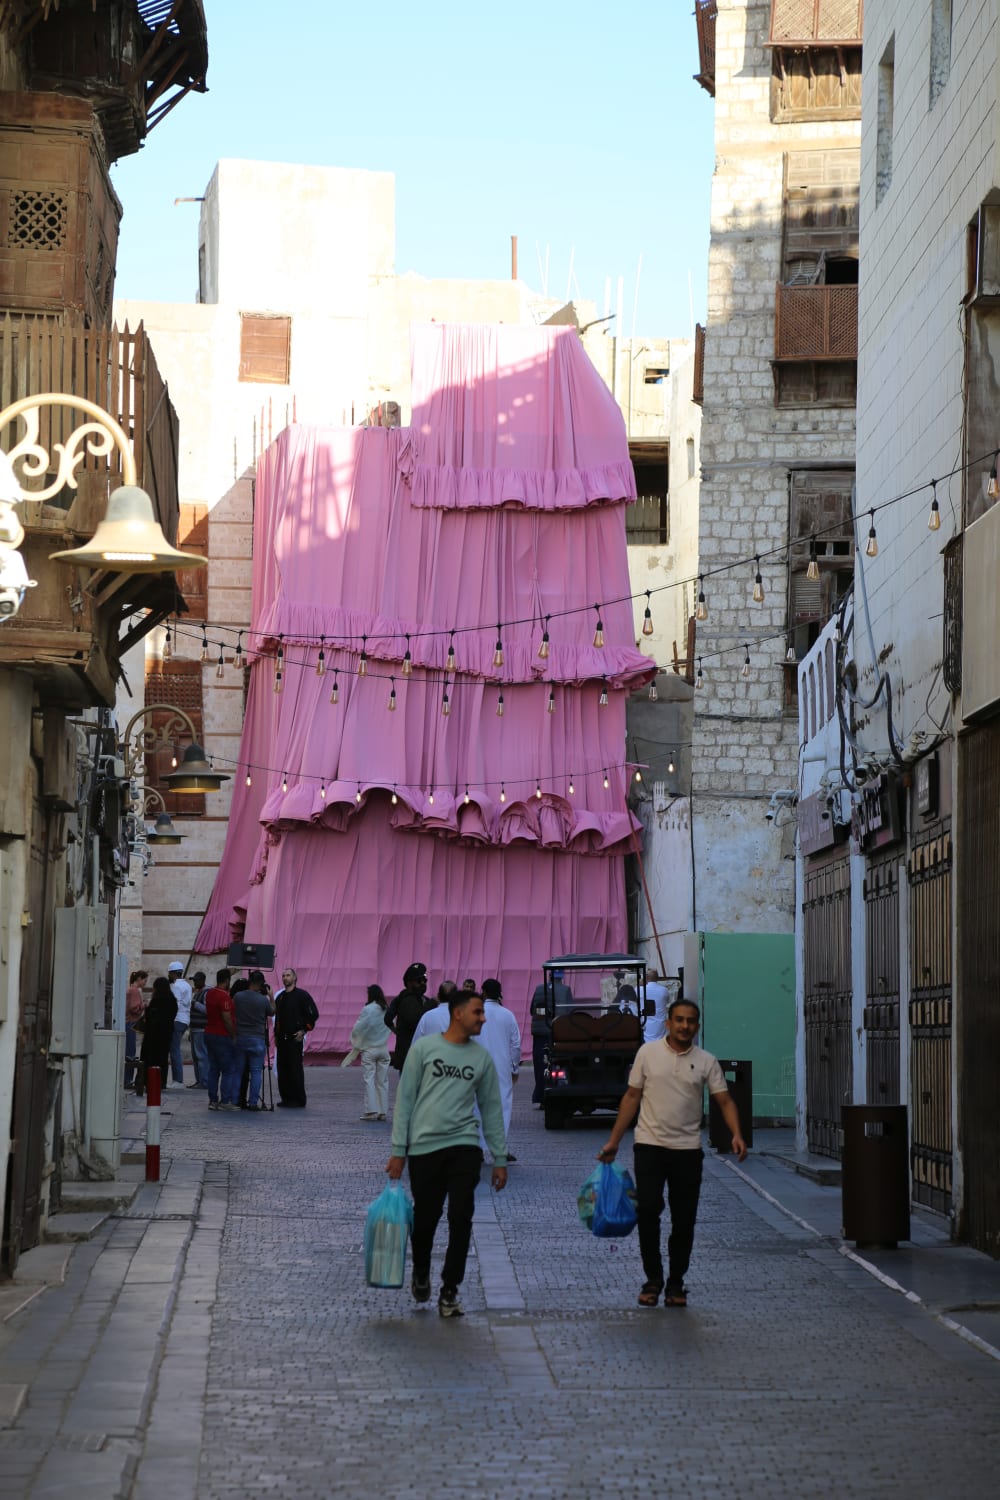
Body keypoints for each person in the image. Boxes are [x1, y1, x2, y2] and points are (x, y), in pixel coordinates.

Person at [597, 997, 747, 1309]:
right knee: (648, 1210)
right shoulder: (647, 1054)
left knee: (684, 1220)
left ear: (697, 1026)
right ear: (668, 1022)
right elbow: (631, 1096)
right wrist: (613, 1141)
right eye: (679, 1020)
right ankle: (653, 1278)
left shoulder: (706, 1061)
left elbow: (725, 1101)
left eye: (690, 1021)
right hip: (649, 1145)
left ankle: (676, 1282)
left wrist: (736, 1134)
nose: (684, 1026)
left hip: (687, 1151)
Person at [387, 989, 508, 1318]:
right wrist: (399, 1150)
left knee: (461, 1218)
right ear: (458, 1014)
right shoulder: (424, 1049)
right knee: (425, 1221)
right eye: (478, 1012)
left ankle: (450, 1289)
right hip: (424, 1148)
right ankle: (421, 1272)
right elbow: (405, 1101)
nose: (483, 1018)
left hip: (464, 1147)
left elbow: (491, 1110)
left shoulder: (480, 1059)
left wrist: (499, 1157)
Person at [477, 979, 521, 1150]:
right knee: (503, 1105)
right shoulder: (508, 1014)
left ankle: (479, 1147)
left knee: (478, 1105)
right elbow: (516, 1045)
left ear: (484, 992)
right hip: (502, 1067)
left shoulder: (476, 1013)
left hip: (478, 1065)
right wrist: (514, 1067)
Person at [273, 966, 319, 1108]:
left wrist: (304, 1030)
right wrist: (275, 1035)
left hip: (295, 1039)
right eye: (283, 975)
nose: (285, 978)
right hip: (282, 1040)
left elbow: (313, 1014)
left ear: (294, 978)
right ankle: (286, 1098)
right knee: (282, 1069)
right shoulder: (280, 997)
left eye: (288, 975)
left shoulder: (302, 996)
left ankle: (298, 1099)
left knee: (295, 1069)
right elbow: (277, 1018)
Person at [347, 984, 391, 1120]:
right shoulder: (386, 1009)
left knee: (369, 1080)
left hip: (369, 1050)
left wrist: (356, 1041)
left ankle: (371, 1111)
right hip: (384, 1049)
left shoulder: (367, 1009)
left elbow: (358, 1028)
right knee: (383, 1081)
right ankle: (383, 1112)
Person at [529, 967, 572, 1105]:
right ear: (561, 976)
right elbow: (569, 1012)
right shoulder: (565, 990)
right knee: (557, 1062)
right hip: (557, 1032)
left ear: (549, 976)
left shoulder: (539, 988)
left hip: (539, 1033)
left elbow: (532, 1010)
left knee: (540, 1064)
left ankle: (540, 1095)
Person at [234, 970, 275, 1112]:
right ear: (261, 984)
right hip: (257, 1038)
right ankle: (252, 1103)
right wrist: (271, 997)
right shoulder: (262, 1000)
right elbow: (272, 1012)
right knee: (256, 1071)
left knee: (239, 1071)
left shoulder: (238, 997)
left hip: (241, 1037)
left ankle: (235, 1100)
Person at [204, 967, 240, 1112]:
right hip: (222, 1035)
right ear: (227, 981)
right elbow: (226, 1018)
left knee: (213, 1068)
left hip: (209, 1033)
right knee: (228, 1069)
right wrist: (234, 1034)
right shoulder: (224, 996)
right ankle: (225, 1100)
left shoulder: (209, 993)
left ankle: (213, 1100)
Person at [384, 962, 430, 1073]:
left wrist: (397, 1032)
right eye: (419, 981)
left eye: (424, 980)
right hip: (410, 1054)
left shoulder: (424, 999)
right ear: (409, 983)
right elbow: (415, 1020)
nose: (423, 983)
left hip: (420, 1054)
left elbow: (387, 1019)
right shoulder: (407, 1000)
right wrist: (399, 1032)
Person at [138, 976, 177, 1094]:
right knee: (163, 1058)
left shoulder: (156, 1000)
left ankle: (149, 1081)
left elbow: (150, 1018)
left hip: (153, 1035)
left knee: (150, 1058)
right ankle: (162, 1081)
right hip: (166, 1034)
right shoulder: (172, 1000)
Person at [167, 960, 193, 1088]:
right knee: (175, 1049)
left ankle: (178, 1080)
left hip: (176, 1020)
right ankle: (178, 1079)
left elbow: (174, 1005)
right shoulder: (187, 985)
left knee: (174, 1050)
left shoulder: (175, 986)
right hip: (185, 1019)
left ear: (172, 974)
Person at [124, 969, 147, 1087]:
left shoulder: (130, 989)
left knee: (129, 1051)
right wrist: (144, 1005)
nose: (145, 983)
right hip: (131, 1022)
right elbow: (134, 1007)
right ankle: (128, 1080)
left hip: (128, 1022)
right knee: (130, 1052)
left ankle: (127, 1079)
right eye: (144, 980)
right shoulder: (134, 991)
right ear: (139, 979)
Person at [188, 971, 208, 1088]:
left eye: (196, 980)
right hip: (195, 1029)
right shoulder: (196, 993)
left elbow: (207, 1010)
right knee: (196, 1057)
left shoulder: (206, 993)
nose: (195, 982)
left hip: (201, 1029)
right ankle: (199, 1080)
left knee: (201, 1056)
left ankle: (204, 1081)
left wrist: (194, 1004)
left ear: (203, 980)